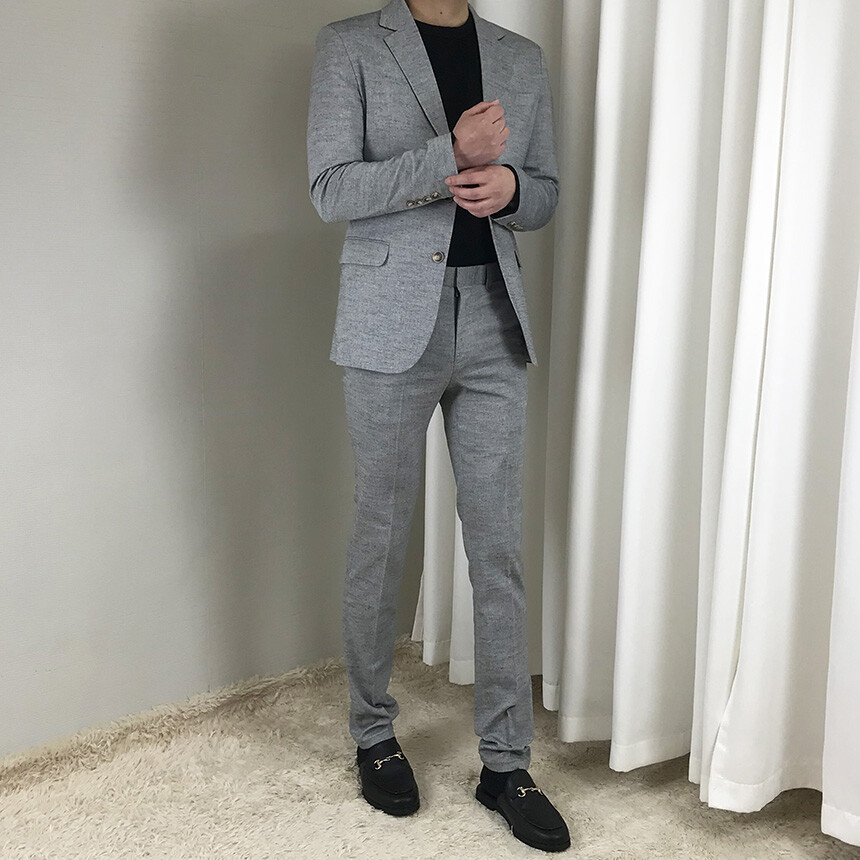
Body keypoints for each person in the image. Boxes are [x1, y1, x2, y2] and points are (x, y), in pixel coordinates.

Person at [307, 0, 569, 850]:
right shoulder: (350, 45)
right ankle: (373, 735)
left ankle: (506, 762)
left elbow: (545, 193)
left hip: (494, 318)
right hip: (389, 320)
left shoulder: (519, 57)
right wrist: (447, 156)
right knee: (381, 535)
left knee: (498, 547)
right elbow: (330, 188)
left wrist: (515, 189)